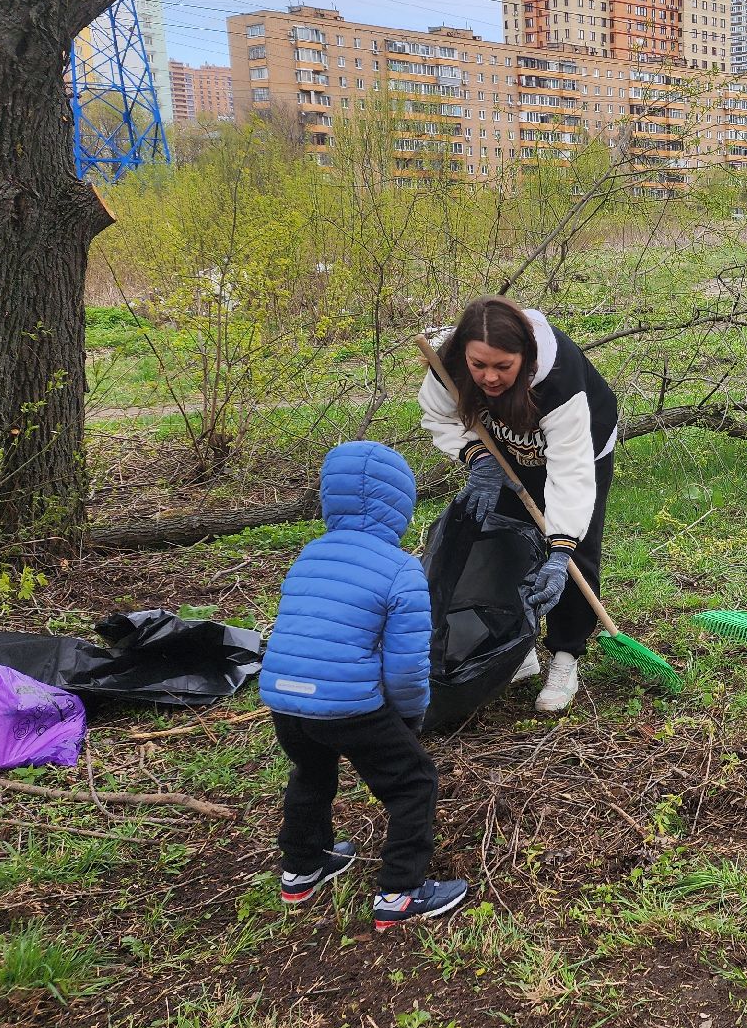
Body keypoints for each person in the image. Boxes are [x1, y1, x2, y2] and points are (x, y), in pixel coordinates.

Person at [259, 441, 470, 932]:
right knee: (412, 782)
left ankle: (301, 867)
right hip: (350, 707)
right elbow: (405, 666)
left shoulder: (309, 554)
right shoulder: (401, 569)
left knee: (310, 774)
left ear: (329, 498)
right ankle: (400, 891)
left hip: (285, 702)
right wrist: (410, 716)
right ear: (402, 505)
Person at [419, 296, 620, 713]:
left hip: (580, 448)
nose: (488, 377)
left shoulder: (559, 380)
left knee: (572, 553)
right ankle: (516, 646)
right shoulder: (450, 364)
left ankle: (566, 655)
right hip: (506, 448)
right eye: (479, 366)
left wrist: (560, 547)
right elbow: (439, 416)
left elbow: (569, 473)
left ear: (525, 357)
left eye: (502, 367)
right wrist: (477, 458)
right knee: (504, 541)